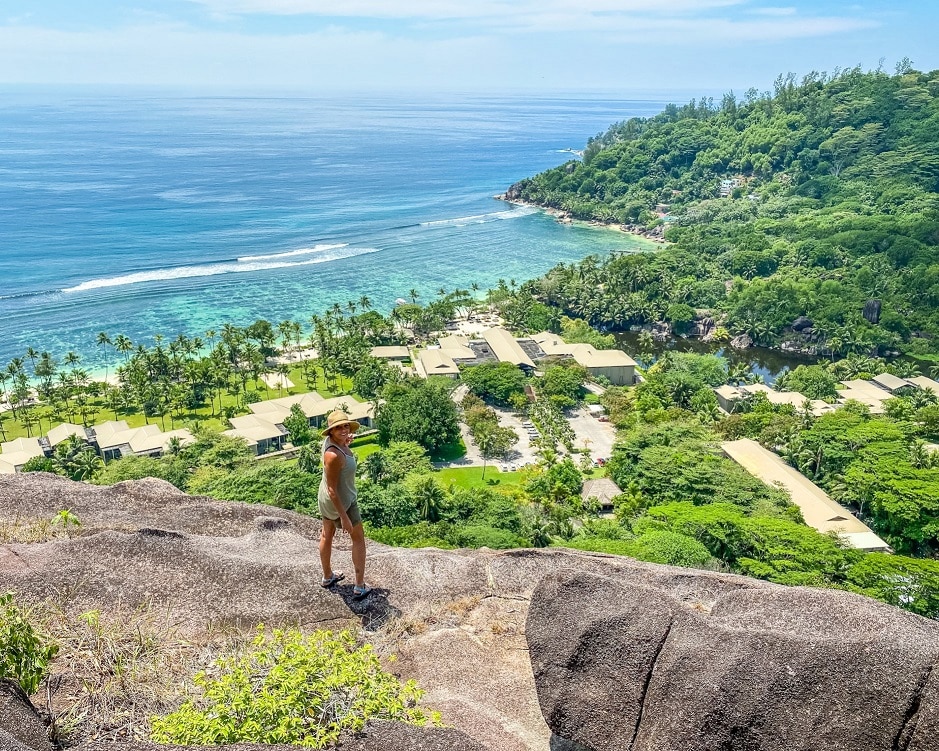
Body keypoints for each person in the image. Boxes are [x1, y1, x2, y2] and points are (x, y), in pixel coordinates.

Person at [318, 409, 371, 600]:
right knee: (358, 539)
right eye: (338, 428)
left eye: (345, 426)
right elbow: (333, 490)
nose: (343, 430)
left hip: (325, 498)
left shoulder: (331, 444)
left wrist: (345, 442)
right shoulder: (334, 455)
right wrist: (344, 517)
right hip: (341, 500)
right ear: (331, 431)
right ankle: (359, 586)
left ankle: (327, 577)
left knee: (327, 534)